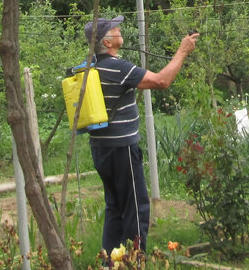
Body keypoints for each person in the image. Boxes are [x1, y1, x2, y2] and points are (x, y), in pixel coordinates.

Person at [83, 15, 198, 256]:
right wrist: (182, 52)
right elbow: (162, 81)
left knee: (114, 207)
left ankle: (110, 265)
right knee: (136, 207)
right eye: (115, 28)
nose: (119, 29)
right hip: (122, 148)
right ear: (107, 42)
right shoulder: (117, 68)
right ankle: (134, 266)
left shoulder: (90, 66)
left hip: (100, 148)